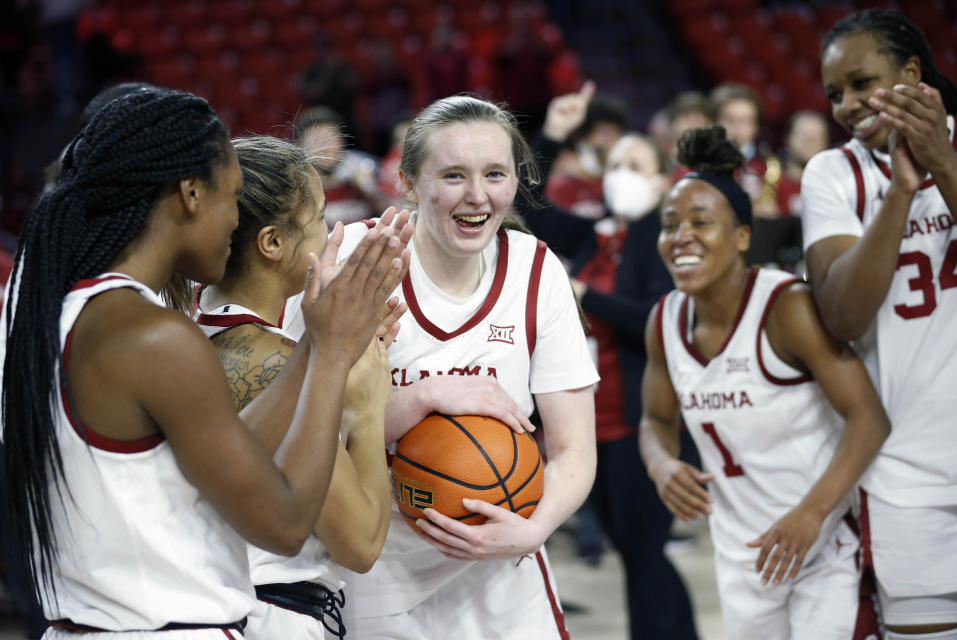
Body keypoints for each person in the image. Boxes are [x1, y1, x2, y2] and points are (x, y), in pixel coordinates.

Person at [0, 86, 408, 637]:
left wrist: (317, 342)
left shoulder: (73, 309)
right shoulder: (155, 338)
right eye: (229, 197)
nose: (231, 223)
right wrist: (337, 364)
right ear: (191, 194)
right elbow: (285, 525)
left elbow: (214, 469)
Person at [282, 85, 600, 639]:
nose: (477, 196)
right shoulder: (350, 260)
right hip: (373, 560)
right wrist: (421, 399)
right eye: (453, 175)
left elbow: (574, 447)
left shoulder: (536, 270)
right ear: (407, 182)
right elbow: (291, 437)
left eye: (496, 175)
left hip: (506, 561)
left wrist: (536, 529)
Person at [640, 125, 890, 639]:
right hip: (743, 558)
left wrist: (811, 514)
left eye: (701, 222)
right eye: (670, 224)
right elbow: (655, 421)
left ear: (742, 237)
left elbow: (869, 418)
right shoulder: (663, 320)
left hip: (825, 546)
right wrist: (663, 464)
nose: (681, 236)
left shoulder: (785, 306)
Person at [194, 135, 413, 639]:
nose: (331, 230)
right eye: (317, 217)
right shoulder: (271, 362)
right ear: (272, 242)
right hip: (271, 614)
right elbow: (359, 544)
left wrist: (333, 345)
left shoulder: (192, 324)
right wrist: (366, 409)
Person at [802, 9, 957, 638]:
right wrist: (899, 194)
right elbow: (841, 315)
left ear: (912, 72)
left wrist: (942, 167)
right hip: (905, 477)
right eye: (835, 93)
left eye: (863, 82)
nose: (848, 104)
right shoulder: (831, 174)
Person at [524, 125, 699, 639]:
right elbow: (527, 205)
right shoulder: (596, 231)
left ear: (663, 181)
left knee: (643, 556)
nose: (620, 174)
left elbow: (660, 316)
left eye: (635, 165)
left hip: (640, 423)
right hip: (590, 423)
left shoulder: (665, 236)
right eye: (614, 164)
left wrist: (586, 296)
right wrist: (553, 137)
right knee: (635, 553)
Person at [544, 93, 629, 219]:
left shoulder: (621, 185)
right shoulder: (559, 186)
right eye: (604, 133)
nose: (611, 142)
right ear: (582, 137)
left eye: (616, 134)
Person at [709, 84, 779, 217]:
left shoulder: (767, 166)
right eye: (730, 120)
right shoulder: (696, 165)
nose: (738, 129)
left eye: (746, 121)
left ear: (756, 127)